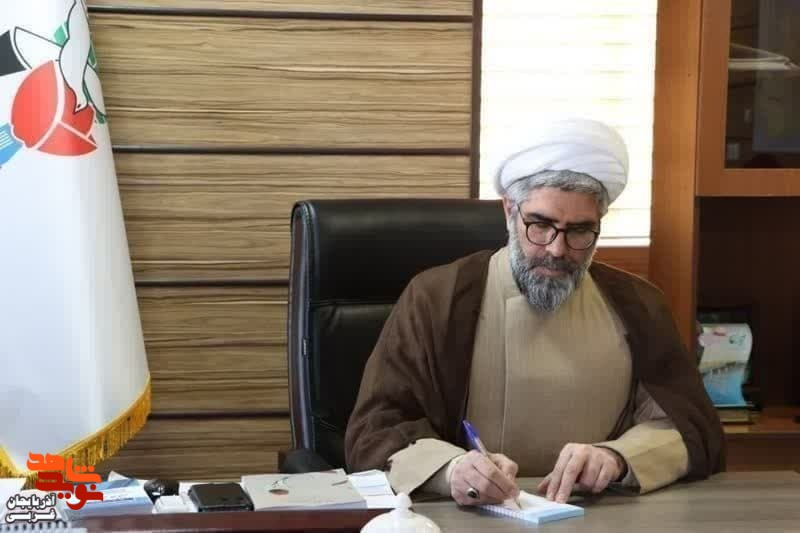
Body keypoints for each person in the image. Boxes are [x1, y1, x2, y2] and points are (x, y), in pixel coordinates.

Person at [344, 118, 725, 506]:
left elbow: (690, 428)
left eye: (580, 231)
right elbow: (376, 430)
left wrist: (618, 459)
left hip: (600, 513)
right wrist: (452, 470)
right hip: (467, 515)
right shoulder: (437, 298)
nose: (558, 249)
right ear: (510, 210)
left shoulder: (639, 305)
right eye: (541, 225)